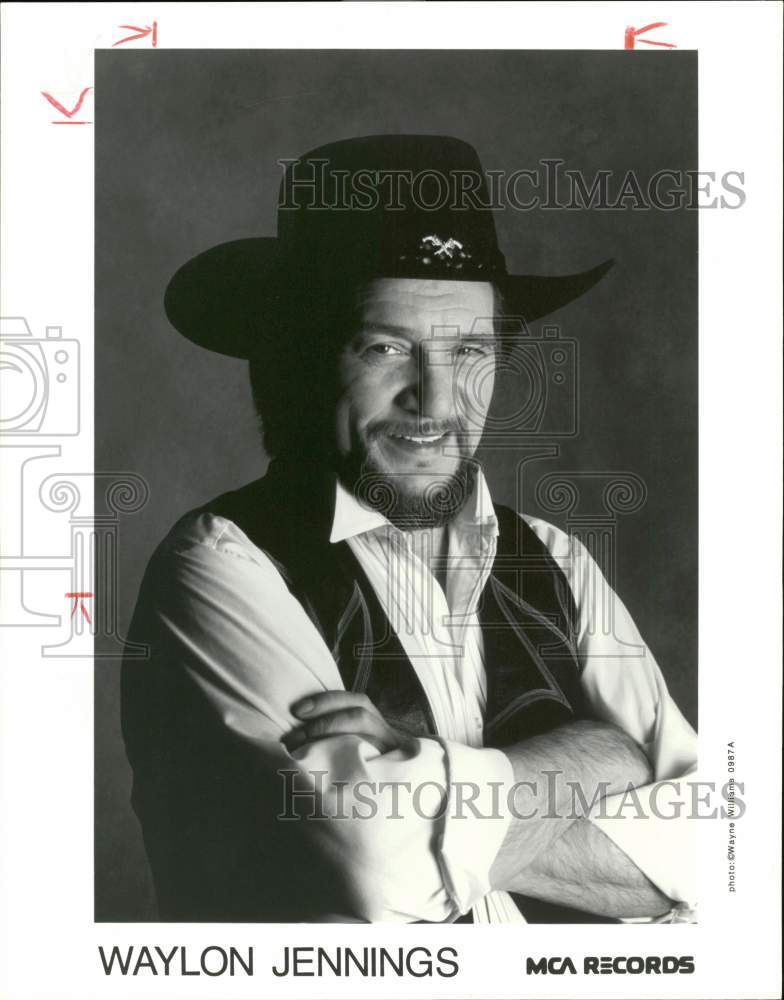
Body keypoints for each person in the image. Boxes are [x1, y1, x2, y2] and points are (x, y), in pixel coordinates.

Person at [121, 134, 697, 924]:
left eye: (469, 348)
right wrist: (606, 755)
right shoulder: (222, 565)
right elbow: (377, 872)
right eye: (386, 346)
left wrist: (415, 775)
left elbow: (727, 861)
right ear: (297, 359)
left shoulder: (557, 561)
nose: (435, 400)